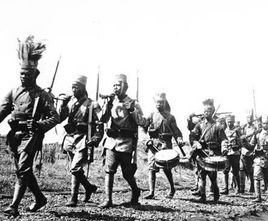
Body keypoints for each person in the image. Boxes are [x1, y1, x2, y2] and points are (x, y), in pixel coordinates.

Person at [0, 36, 59, 217]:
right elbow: (1, 110)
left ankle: (14, 206)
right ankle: (39, 198)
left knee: (23, 169)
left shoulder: (42, 95)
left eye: (27, 74)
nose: (24, 77)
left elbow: (55, 118)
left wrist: (39, 124)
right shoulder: (14, 92)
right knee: (23, 170)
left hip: (31, 135)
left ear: (35, 75)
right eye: (21, 74)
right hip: (14, 136)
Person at [98, 74, 146, 208]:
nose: (115, 88)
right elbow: (101, 119)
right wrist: (107, 105)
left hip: (126, 142)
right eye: (113, 85)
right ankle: (108, 200)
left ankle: (135, 191)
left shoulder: (133, 103)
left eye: (118, 85)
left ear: (125, 86)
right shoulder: (110, 101)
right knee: (109, 170)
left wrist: (132, 110)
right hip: (111, 141)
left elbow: (142, 121)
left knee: (127, 173)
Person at [58, 75, 103, 207]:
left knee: (75, 168)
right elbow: (60, 118)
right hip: (70, 138)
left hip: (83, 139)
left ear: (83, 88)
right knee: (74, 168)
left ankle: (87, 188)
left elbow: (100, 123)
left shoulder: (92, 104)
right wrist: (63, 105)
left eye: (76, 87)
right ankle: (75, 196)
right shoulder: (70, 102)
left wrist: (96, 138)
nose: (73, 89)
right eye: (72, 87)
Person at [144, 92, 184, 199]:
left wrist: (180, 140)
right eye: (157, 102)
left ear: (164, 103)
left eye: (161, 102)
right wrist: (147, 140)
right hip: (153, 144)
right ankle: (151, 192)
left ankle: (172, 188)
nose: (159, 104)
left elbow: (177, 132)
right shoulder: (151, 115)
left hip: (166, 145)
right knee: (151, 168)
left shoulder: (170, 117)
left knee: (166, 168)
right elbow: (143, 128)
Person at [189, 98, 227, 203]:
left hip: (213, 153)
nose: (207, 113)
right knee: (201, 175)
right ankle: (202, 196)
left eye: (209, 111)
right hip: (202, 153)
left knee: (212, 176)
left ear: (213, 112)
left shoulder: (217, 126)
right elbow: (193, 136)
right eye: (205, 111)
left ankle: (216, 194)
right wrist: (196, 143)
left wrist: (224, 147)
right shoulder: (199, 125)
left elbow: (224, 139)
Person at [253, 115, 268, 201]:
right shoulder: (257, 134)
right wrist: (244, 142)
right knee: (256, 176)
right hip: (259, 158)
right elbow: (251, 146)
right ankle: (258, 197)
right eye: (264, 123)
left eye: (267, 123)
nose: (265, 125)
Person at [221, 114, 242, 195]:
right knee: (225, 171)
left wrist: (234, 146)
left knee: (235, 171)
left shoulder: (237, 131)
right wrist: (223, 149)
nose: (229, 123)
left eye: (231, 122)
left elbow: (240, 144)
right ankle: (225, 188)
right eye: (228, 122)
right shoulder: (223, 131)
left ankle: (237, 188)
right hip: (226, 154)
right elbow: (222, 142)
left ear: (233, 122)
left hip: (235, 154)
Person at [239, 110, 258, 193]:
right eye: (248, 117)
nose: (249, 119)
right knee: (241, 169)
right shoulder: (243, 128)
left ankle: (252, 186)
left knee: (250, 171)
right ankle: (242, 187)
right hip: (243, 151)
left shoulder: (255, 129)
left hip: (251, 152)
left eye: (250, 118)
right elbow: (240, 138)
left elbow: (255, 142)